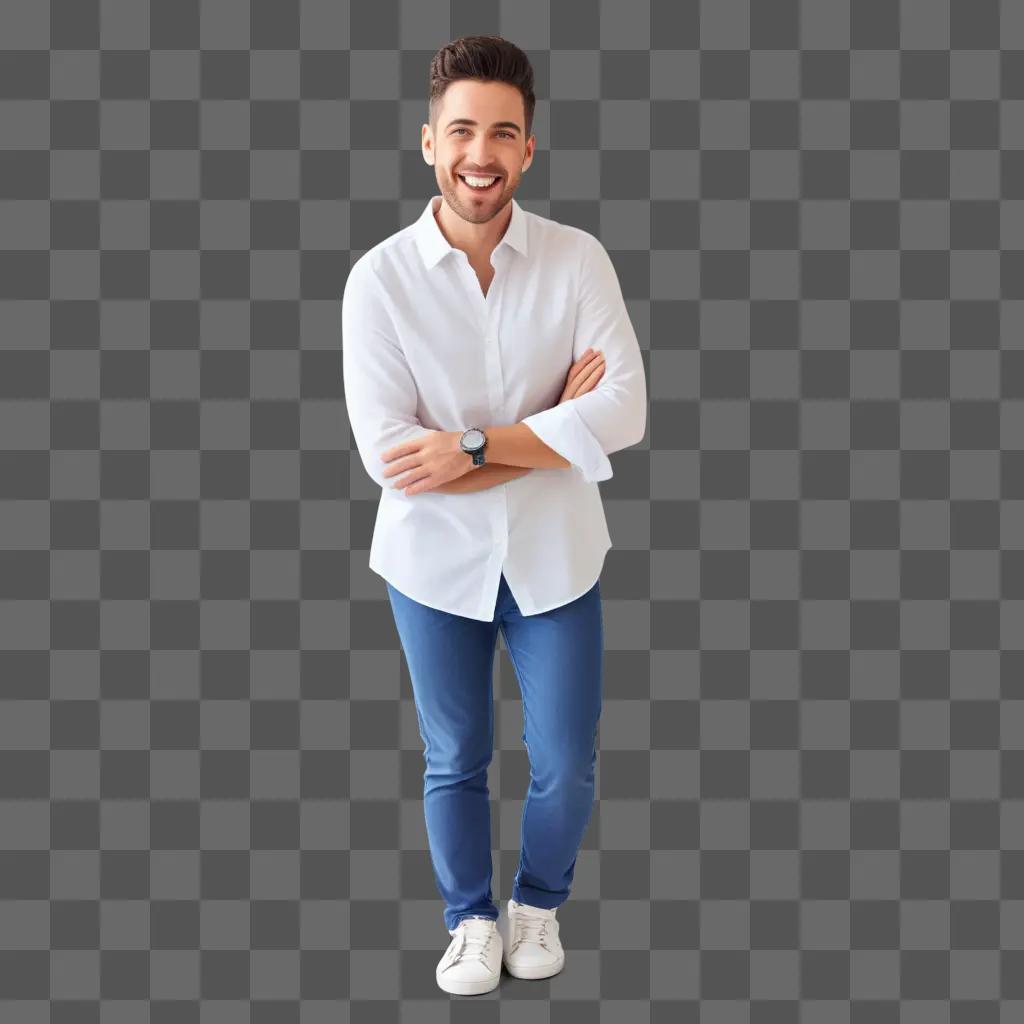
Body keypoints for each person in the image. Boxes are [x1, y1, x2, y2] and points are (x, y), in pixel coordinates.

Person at [341, 35, 647, 997]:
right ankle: (471, 920)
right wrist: (555, 423)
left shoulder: (577, 259)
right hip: (432, 564)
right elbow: (394, 465)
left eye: (503, 132)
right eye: (462, 129)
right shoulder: (378, 281)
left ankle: (537, 904)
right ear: (429, 143)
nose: (483, 151)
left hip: (559, 557)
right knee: (455, 756)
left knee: (564, 758)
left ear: (529, 148)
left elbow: (626, 413)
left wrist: (471, 445)